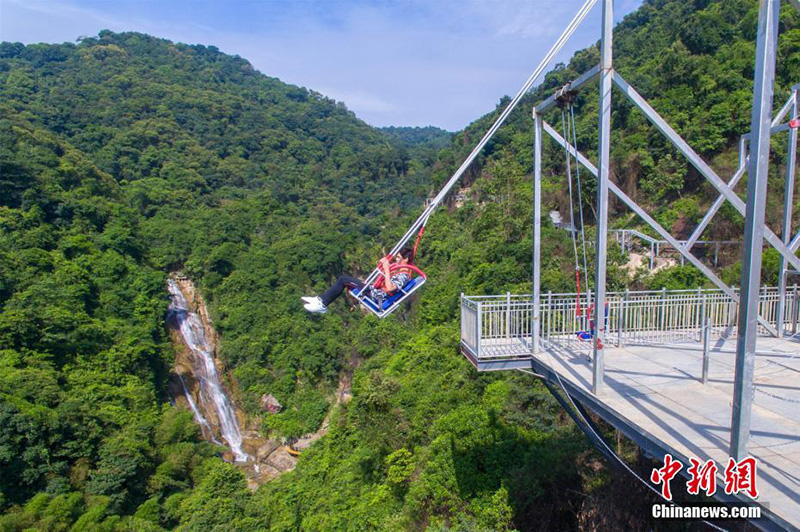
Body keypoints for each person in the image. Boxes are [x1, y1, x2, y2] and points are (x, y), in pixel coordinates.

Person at [303, 248, 415, 314]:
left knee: (343, 279)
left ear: (406, 259)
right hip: (375, 291)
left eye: (399, 257)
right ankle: (320, 300)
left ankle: (322, 304)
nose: (396, 259)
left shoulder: (404, 275)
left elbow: (390, 288)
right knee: (344, 279)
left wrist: (386, 268)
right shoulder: (399, 271)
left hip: (377, 295)